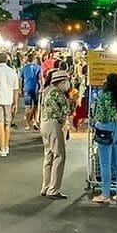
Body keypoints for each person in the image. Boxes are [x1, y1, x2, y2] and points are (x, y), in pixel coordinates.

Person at [92, 73, 117, 204]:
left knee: (105, 164)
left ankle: (105, 194)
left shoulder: (103, 97)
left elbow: (101, 116)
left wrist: (96, 124)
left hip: (106, 131)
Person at [39, 69, 72, 199]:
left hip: (44, 124)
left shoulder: (48, 92)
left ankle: (46, 186)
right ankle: (53, 189)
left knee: (48, 156)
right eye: (67, 82)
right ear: (62, 82)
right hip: (54, 125)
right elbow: (67, 110)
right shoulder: (59, 94)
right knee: (59, 155)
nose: (68, 84)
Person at [20, 54, 42, 130]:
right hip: (35, 88)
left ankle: (27, 124)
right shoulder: (38, 67)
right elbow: (40, 79)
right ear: (34, 59)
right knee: (35, 106)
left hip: (26, 88)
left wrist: (21, 88)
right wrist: (41, 87)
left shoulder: (23, 68)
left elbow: (21, 79)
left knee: (27, 107)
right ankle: (35, 121)